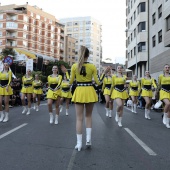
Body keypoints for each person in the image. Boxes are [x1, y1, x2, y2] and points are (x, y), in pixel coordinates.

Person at [61, 46, 110, 151]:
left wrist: (66, 72)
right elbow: (98, 82)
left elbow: (70, 82)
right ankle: (88, 140)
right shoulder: (92, 66)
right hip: (89, 91)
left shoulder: (74, 66)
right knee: (88, 116)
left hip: (79, 91)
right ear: (88, 55)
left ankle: (79, 144)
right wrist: (104, 74)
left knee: (79, 118)